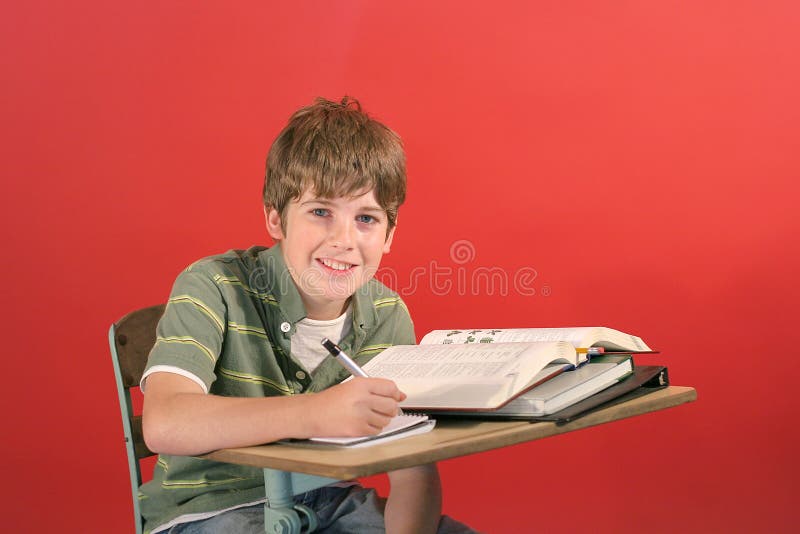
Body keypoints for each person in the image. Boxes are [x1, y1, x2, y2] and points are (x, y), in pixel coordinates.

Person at [140, 97, 475, 533]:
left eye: (367, 219)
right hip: (209, 510)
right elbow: (165, 423)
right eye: (321, 212)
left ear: (390, 235)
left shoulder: (387, 314)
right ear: (276, 219)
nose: (344, 239)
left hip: (332, 501)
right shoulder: (213, 285)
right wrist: (317, 411)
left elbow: (412, 471)